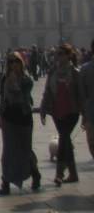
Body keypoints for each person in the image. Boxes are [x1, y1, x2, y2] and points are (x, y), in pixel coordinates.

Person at [0, 50, 40, 194]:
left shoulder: (27, 80)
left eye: (16, 61)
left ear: (21, 63)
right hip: (9, 117)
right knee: (7, 150)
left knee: (25, 149)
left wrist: (15, 85)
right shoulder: (4, 79)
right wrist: (0, 117)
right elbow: (2, 100)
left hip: (24, 116)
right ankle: (5, 182)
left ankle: (35, 173)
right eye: (10, 62)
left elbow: (24, 99)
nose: (13, 64)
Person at [39, 43, 81, 185]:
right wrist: (43, 109)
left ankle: (59, 173)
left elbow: (80, 94)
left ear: (69, 56)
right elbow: (47, 91)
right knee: (65, 140)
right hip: (56, 111)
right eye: (57, 53)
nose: (58, 56)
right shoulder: (52, 71)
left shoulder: (75, 73)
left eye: (61, 53)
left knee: (63, 137)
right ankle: (73, 174)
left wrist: (85, 112)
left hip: (72, 111)